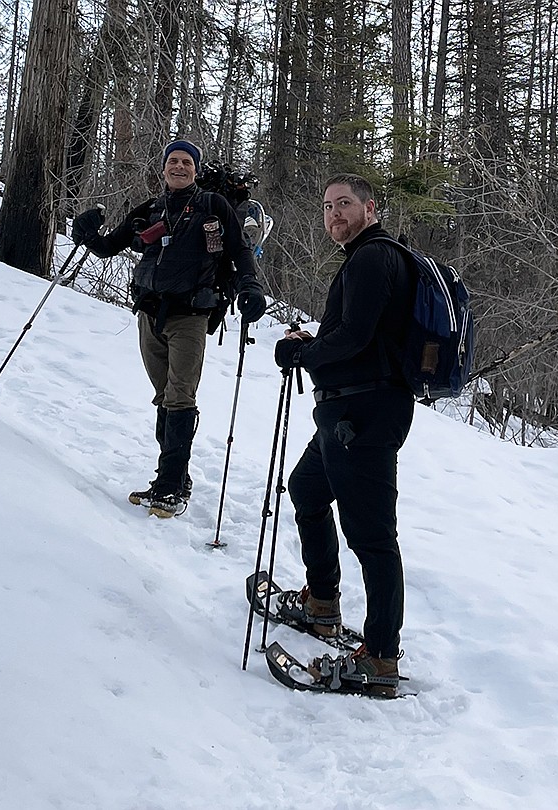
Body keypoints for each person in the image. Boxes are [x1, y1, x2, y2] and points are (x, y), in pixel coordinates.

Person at [272, 172, 416, 695]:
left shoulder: (375, 257)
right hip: (349, 410)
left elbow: (355, 338)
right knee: (307, 489)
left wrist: (304, 353)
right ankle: (323, 603)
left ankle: (380, 655)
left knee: (374, 537)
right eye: (328, 205)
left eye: (345, 204)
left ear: (370, 209)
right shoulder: (366, 260)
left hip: (364, 413)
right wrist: (312, 344)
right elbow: (360, 334)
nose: (335, 213)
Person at [72, 140, 267, 518]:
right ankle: (175, 478)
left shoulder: (214, 207)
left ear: (195, 169)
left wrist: (250, 285)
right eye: (173, 161)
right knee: (164, 395)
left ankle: (170, 489)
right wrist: (88, 234)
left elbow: (240, 251)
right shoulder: (151, 208)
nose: (179, 167)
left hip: (191, 316)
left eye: (186, 162)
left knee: (179, 396)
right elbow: (110, 246)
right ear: (163, 168)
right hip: (149, 313)